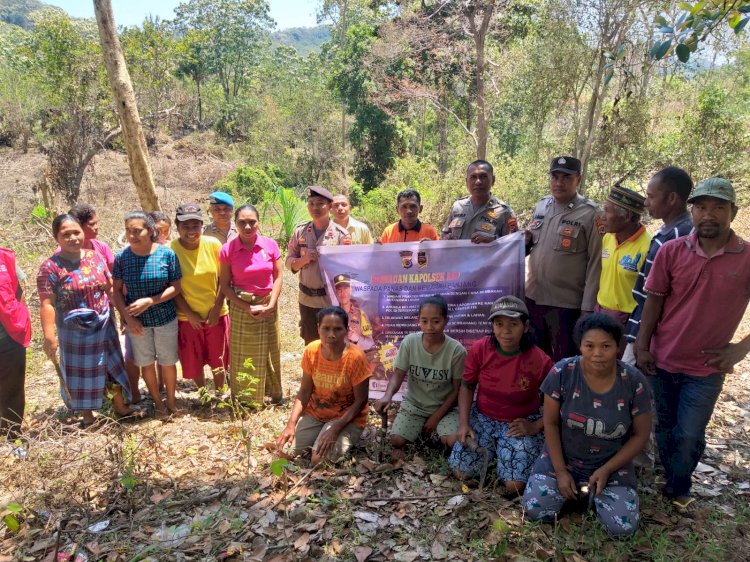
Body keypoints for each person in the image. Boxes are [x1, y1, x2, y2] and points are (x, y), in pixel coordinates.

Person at [635, 177, 750, 511]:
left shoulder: (745, 258)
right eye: (701, 207)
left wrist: (741, 348)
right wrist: (642, 347)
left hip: (707, 367)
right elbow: (653, 303)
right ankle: (670, 476)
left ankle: (678, 486)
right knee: (666, 427)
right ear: (692, 211)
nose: (708, 215)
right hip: (663, 359)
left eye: (718, 207)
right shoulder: (672, 251)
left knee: (689, 434)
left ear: (733, 212)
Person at [523, 313, 652, 537]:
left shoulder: (634, 382)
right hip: (565, 459)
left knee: (622, 529)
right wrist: (561, 471)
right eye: (589, 345)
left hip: (611, 465)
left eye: (606, 346)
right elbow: (551, 423)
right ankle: (577, 493)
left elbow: (640, 435)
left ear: (617, 347)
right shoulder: (562, 373)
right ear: (580, 346)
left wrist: (607, 469)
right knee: (535, 510)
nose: (597, 354)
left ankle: (587, 496)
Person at [449, 296, 552, 496]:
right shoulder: (480, 348)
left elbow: (558, 400)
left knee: (514, 486)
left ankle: (505, 454)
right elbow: (467, 386)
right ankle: (496, 452)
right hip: (483, 417)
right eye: (499, 324)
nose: (505, 331)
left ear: (526, 325)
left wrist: (536, 426)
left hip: (518, 423)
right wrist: (464, 423)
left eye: (513, 324)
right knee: (461, 473)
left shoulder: (539, 359)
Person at [38, 215, 134, 427]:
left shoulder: (95, 257)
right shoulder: (50, 268)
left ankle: (120, 406)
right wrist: (49, 337)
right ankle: (88, 416)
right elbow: (47, 304)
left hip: (103, 324)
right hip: (74, 331)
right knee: (79, 372)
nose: (73, 238)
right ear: (56, 238)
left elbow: (110, 288)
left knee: (111, 366)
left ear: (83, 233)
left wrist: (123, 315)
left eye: (76, 232)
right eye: (66, 234)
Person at [524, 156, 603, 362]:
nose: (559, 182)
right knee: (536, 359)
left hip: (566, 306)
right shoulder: (542, 206)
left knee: (564, 361)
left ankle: (560, 396)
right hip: (534, 299)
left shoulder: (591, 213)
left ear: (578, 179)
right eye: (555, 177)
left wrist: (587, 308)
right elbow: (532, 245)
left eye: (566, 177)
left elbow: (597, 263)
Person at [374, 295, 466, 460]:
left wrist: (436, 417)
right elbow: (397, 375)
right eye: (424, 321)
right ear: (418, 321)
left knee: (452, 442)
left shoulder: (456, 351)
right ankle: (420, 432)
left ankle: (434, 433)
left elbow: (457, 391)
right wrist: (387, 396)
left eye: (436, 321)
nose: (429, 327)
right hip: (414, 405)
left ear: (446, 321)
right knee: (396, 440)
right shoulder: (410, 342)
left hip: (445, 408)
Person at [276, 307, 371, 464]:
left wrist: (335, 429)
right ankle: (319, 434)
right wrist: (290, 424)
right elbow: (305, 391)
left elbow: (361, 401)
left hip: (346, 419)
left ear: (346, 330)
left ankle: (346, 437)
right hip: (316, 413)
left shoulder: (356, 357)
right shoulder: (311, 350)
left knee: (318, 461)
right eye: (326, 328)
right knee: (286, 450)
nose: (331, 335)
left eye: (338, 329)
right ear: (318, 328)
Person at [113, 212, 182, 418]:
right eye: (128, 231)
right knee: (146, 364)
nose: (132, 235)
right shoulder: (122, 258)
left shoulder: (166, 254)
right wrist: (128, 317)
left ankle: (171, 400)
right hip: (138, 323)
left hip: (165, 318)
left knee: (168, 362)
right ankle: (158, 404)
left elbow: (176, 288)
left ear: (151, 231)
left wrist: (151, 300)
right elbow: (116, 291)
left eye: (137, 231)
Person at [622, 167, 693, 365]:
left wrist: (641, 342)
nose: (646, 203)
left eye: (651, 197)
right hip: (643, 328)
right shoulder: (669, 231)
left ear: (672, 199)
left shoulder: (680, 236)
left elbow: (657, 296)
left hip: (654, 334)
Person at [219, 204, 284, 406]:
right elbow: (225, 286)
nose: (247, 226)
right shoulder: (228, 249)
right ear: (236, 224)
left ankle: (273, 393)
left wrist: (271, 304)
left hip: (268, 304)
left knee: (271, 351)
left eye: (252, 222)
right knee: (242, 355)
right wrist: (246, 307)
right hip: (241, 306)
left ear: (258, 222)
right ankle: (246, 399)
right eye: (242, 222)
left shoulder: (270, 245)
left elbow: (279, 276)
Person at [170, 203, 229, 391]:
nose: (191, 231)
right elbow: (173, 288)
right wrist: (190, 313)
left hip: (216, 313)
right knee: (192, 358)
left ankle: (220, 392)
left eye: (195, 226)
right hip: (187, 317)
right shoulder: (171, 250)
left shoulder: (213, 245)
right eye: (185, 226)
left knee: (218, 356)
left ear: (202, 226)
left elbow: (223, 280)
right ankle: (202, 393)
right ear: (177, 227)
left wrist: (217, 307)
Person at [286, 186, 352, 345]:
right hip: (307, 300)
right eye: (311, 203)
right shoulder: (300, 231)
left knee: (333, 345)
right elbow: (289, 261)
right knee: (310, 344)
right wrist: (304, 260)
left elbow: (349, 269)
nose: (315, 207)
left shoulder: (341, 235)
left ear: (330, 206)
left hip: (330, 301)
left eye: (320, 203)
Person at [596, 185, 650, 354]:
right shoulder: (607, 238)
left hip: (627, 320)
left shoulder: (648, 246)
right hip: (600, 313)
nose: (602, 217)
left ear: (626, 216)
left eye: (607, 211)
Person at [442, 160, 517, 243]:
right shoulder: (457, 207)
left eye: (483, 176)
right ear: (466, 182)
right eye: (473, 177)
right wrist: (447, 237)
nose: (478, 182)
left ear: (493, 180)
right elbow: (445, 234)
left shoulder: (505, 212)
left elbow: (514, 244)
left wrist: (494, 240)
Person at [0, 247, 31, 441]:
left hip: (9, 336)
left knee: (13, 389)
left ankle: (12, 436)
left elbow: (17, 288)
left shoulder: (4, 256)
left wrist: (23, 320)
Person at [67, 203, 115, 271]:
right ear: (78, 226)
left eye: (96, 223)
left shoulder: (102, 247)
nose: (96, 227)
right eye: (91, 224)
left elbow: (115, 275)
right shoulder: (63, 253)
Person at [333, 274, 374, 351]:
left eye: (345, 288)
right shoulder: (331, 316)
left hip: (356, 359)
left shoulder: (361, 314)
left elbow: (370, 344)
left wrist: (358, 338)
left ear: (350, 290)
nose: (342, 293)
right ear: (336, 293)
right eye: (339, 290)